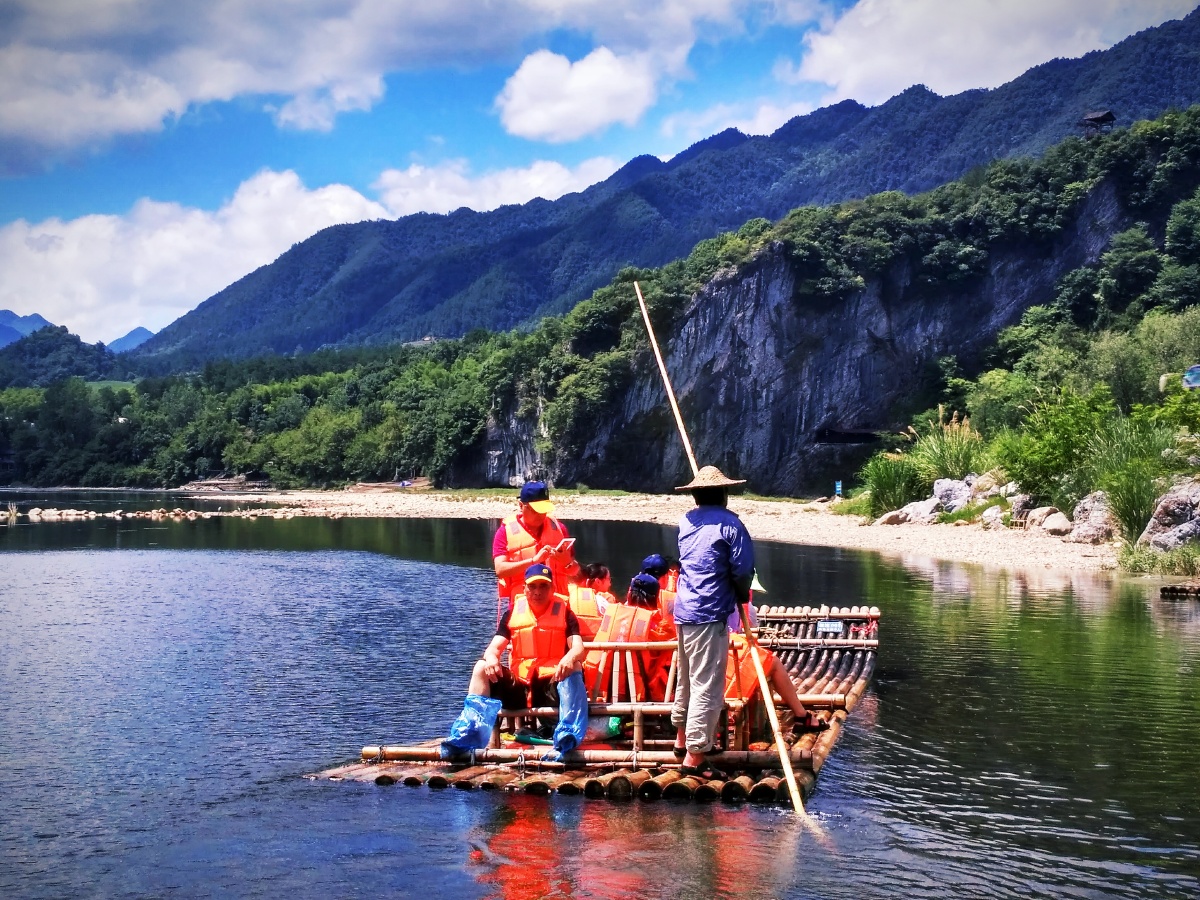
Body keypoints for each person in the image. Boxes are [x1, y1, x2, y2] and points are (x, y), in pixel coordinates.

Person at [442, 563, 587, 759]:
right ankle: (467, 736)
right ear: (525, 589)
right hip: (520, 688)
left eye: (543, 586)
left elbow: (578, 647)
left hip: (551, 687)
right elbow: (494, 647)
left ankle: (567, 735)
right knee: (481, 667)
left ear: (552, 588)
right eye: (532, 586)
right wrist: (492, 657)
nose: (537, 592)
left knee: (575, 665)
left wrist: (569, 657)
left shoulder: (565, 614)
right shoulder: (511, 614)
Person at [670, 466, 754, 777]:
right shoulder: (731, 525)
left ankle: (682, 739)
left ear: (695, 495)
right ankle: (694, 755)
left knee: (687, 678)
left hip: (684, 610)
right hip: (708, 612)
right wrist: (741, 594)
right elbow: (743, 570)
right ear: (724, 494)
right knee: (706, 683)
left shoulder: (686, 522)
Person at [492, 481, 580, 617]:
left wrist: (567, 562)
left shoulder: (560, 529)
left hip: (557, 609)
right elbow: (500, 570)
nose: (541, 515)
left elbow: (575, 572)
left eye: (544, 510)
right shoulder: (504, 532)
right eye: (535, 510)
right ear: (521, 506)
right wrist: (533, 561)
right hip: (522, 609)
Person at [567, 562, 612, 639]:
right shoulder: (601, 602)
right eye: (609, 579)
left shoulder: (566, 599)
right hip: (595, 646)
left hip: (570, 645)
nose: (610, 584)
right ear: (598, 581)